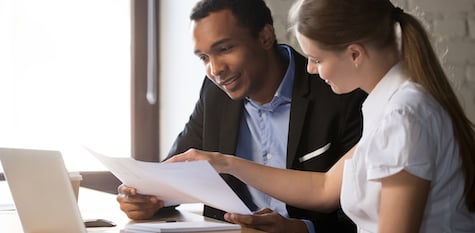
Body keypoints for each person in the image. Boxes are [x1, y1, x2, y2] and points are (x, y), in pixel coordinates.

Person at [168, 0, 475, 232]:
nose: (310, 69)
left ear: (354, 54)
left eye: (316, 59)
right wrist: (226, 163)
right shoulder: (388, 106)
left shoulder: (403, 116)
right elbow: (325, 188)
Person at [117, 0, 367, 232]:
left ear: (266, 37)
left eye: (224, 49)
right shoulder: (214, 94)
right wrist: (145, 199)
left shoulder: (339, 90)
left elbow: (365, 213)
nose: (215, 70)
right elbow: (175, 172)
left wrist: (302, 228)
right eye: (204, 57)